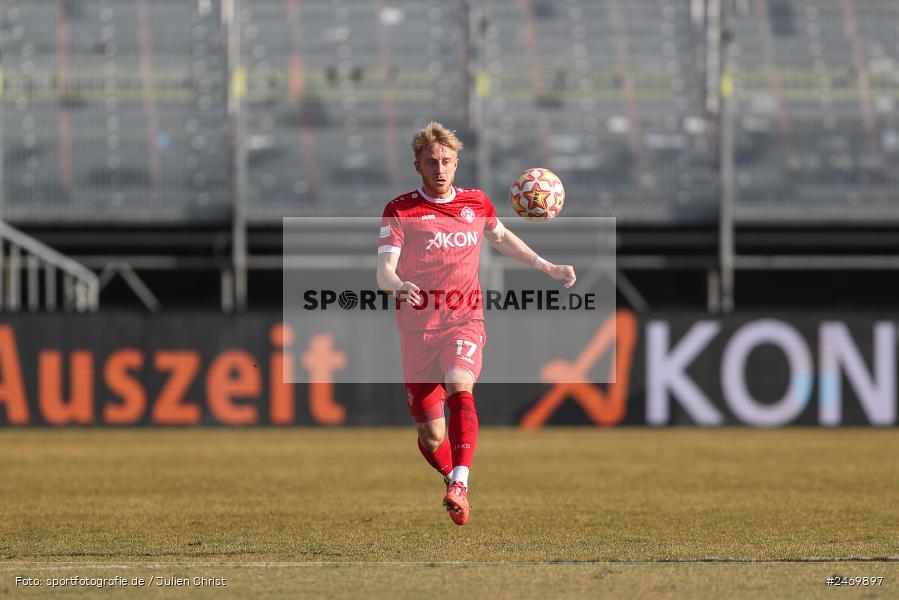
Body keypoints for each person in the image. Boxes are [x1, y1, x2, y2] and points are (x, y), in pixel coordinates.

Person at [376, 121, 575, 525]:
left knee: (459, 386)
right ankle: (451, 476)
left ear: (457, 162)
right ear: (417, 165)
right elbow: (383, 270)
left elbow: (501, 238)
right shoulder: (400, 210)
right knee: (431, 436)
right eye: (431, 162)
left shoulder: (476, 204)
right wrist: (397, 285)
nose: (440, 168)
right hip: (416, 328)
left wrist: (546, 266)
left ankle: (461, 484)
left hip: (464, 320)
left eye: (446, 161)